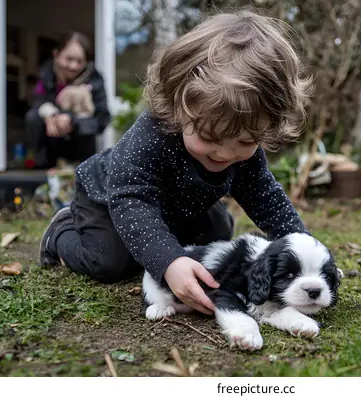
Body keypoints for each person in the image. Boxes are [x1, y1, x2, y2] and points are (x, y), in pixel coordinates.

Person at [38, 10, 316, 316]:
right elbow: (132, 199)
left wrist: (306, 254)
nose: (224, 154)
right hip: (111, 197)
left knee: (218, 232)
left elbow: (267, 199)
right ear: (179, 103)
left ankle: (161, 242)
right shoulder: (154, 134)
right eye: (209, 136)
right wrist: (169, 261)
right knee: (109, 261)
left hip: (177, 206)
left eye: (247, 142)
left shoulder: (240, 147)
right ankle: (60, 233)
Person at [25, 32, 111, 169]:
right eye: (69, 59)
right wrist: (51, 116)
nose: (73, 66)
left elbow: (103, 119)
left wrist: (71, 120)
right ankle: (42, 165)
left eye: (79, 61)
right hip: (50, 146)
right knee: (33, 116)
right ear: (56, 55)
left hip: (81, 149)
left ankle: (83, 170)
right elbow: (37, 101)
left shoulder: (95, 80)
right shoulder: (45, 74)